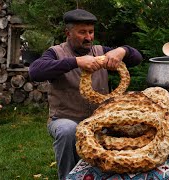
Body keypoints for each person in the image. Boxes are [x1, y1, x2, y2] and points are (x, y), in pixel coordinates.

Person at [28, 9, 143, 180]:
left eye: (91, 32)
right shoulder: (56, 53)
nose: (88, 37)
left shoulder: (100, 51)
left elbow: (138, 58)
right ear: (68, 33)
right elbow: (35, 71)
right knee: (68, 131)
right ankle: (67, 177)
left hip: (100, 118)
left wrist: (123, 51)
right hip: (65, 118)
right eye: (82, 32)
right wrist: (76, 62)